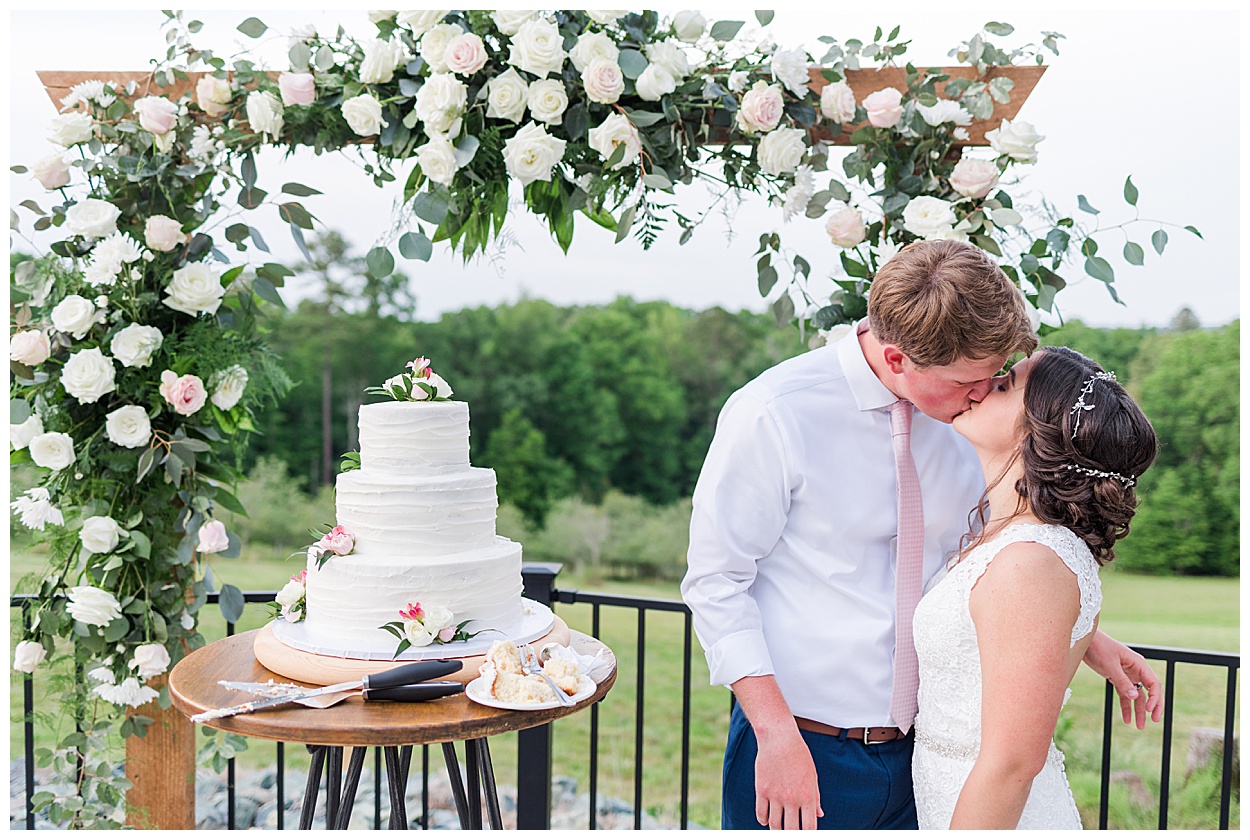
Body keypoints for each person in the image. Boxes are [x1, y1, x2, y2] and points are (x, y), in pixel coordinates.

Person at [680, 240, 1162, 830]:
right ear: (898, 359)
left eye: (997, 376)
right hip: (802, 746)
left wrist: (1076, 634)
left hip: (930, 761)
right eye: (969, 380)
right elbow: (716, 583)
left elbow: (986, 562)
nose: (983, 391)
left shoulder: (975, 426)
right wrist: (776, 735)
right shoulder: (773, 413)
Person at [911, 346, 1157, 828]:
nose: (983, 386)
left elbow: (1012, 766)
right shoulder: (1009, 541)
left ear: (1035, 432)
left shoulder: (1030, 563)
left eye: (1005, 385)